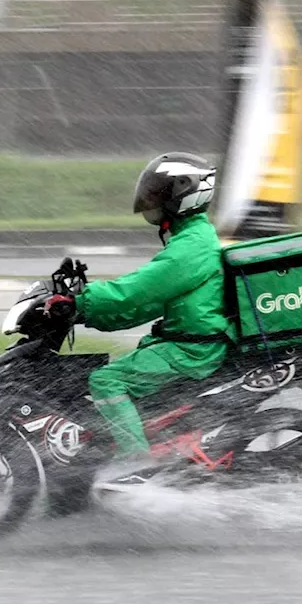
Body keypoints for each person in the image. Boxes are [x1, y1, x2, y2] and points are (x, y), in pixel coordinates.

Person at [43, 152, 233, 490]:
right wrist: (86, 313)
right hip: (185, 342)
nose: (148, 200)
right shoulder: (191, 240)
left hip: (190, 349)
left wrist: (82, 299)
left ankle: (136, 461)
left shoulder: (192, 247)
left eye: (156, 193)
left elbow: (138, 290)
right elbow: (145, 305)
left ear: (183, 195)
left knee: (107, 381)